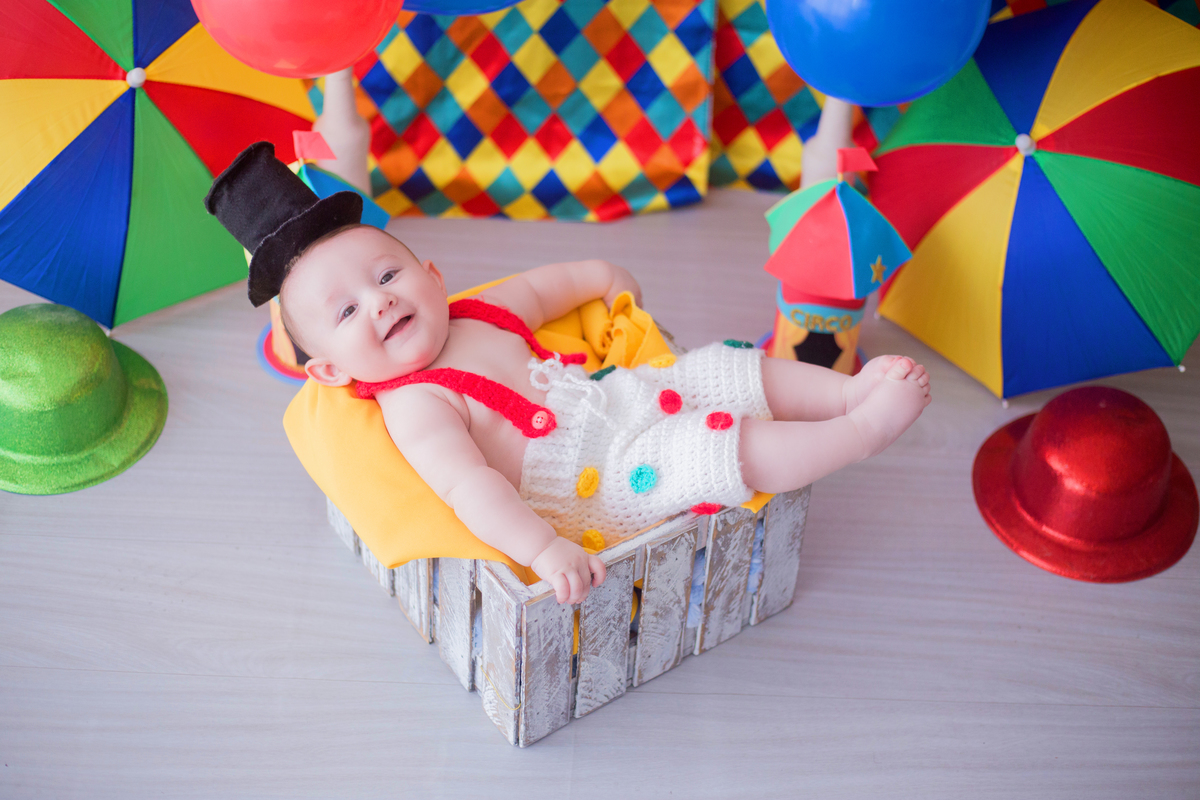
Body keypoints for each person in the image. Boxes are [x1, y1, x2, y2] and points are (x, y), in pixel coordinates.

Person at [204, 76, 931, 607]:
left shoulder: (476, 314)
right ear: (329, 372)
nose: (380, 300)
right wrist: (542, 548)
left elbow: (544, 288)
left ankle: (845, 389)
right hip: (595, 483)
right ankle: (860, 431)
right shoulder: (414, 403)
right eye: (346, 311)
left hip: (617, 397)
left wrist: (600, 273)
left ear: (432, 272)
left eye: (388, 272)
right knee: (721, 447)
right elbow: (469, 488)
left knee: (729, 370)